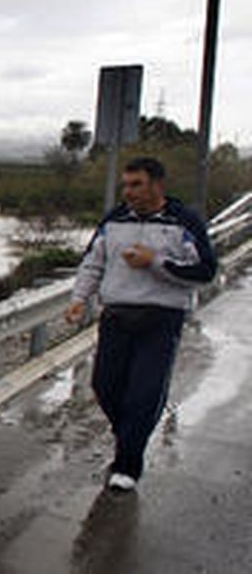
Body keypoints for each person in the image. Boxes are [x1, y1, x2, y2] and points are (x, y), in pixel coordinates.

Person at [63, 157, 217, 491]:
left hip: (161, 319)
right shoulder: (114, 220)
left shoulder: (184, 222)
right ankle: (131, 435)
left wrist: (155, 262)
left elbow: (205, 272)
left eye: (136, 184)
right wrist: (79, 299)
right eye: (126, 184)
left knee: (143, 394)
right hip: (116, 316)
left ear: (158, 185)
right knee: (105, 387)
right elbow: (93, 263)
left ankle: (127, 466)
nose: (128, 192)